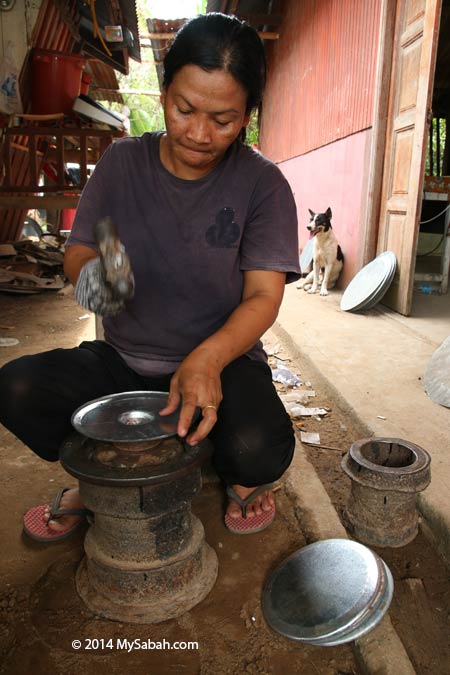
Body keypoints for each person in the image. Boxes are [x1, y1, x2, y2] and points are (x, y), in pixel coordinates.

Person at [0, 13, 300, 540]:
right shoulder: (121, 164)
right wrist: (94, 276)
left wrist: (207, 357)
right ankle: (98, 483)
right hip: (122, 363)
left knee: (257, 447)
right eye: (185, 109)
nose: (200, 134)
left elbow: (262, 295)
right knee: (16, 388)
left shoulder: (263, 185)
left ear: (249, 115)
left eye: (224, 119)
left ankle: (225, 471)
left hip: (222, 364)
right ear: (164, 93)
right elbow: (81, 250)